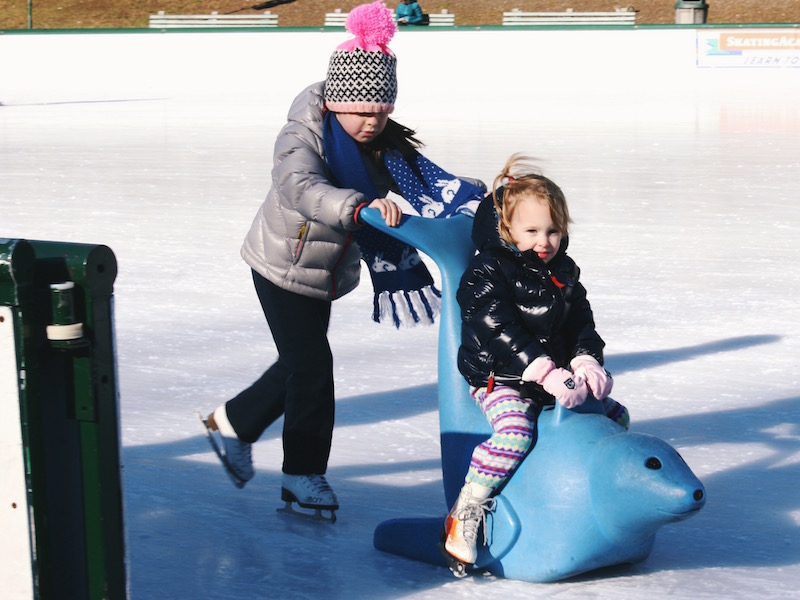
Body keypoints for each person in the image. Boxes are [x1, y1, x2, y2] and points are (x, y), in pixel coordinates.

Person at [205, 1, 484, 521]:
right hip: (282, 264)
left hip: (327, 270)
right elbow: (302, 187)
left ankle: (234, 423)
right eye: (361, 112)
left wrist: (478, 196)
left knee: (299, 363)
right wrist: (357, 206)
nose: (370, 123)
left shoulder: (382, 143)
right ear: (336, 102)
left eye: (381, 113)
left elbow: (428, 185)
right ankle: (301, 476)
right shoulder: (302, 136)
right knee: (313, 367)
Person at [441, 153, 630, 571]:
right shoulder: (488, 269)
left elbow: (581, 321)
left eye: (553, 231)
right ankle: (467, 509)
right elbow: (496, 326)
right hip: (502, 378)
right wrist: (543, 368)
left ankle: (588, 500)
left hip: (554, 378)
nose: (544, 242)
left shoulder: (563, 271)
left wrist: (586, 361)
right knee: (514, 435)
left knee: (616, 416)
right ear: (507, 228)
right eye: (531, 231)